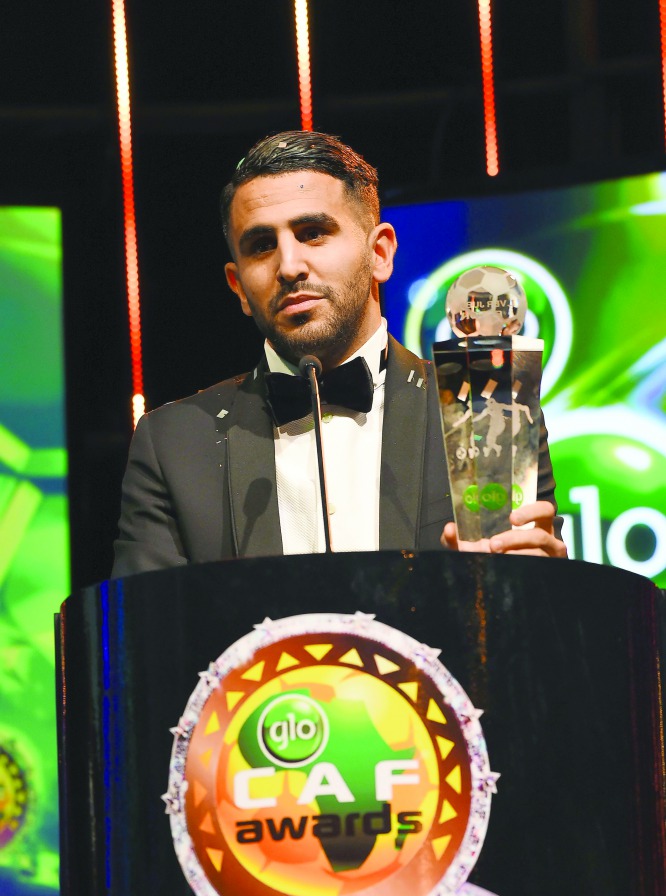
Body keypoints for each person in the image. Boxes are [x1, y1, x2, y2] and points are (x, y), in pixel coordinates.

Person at [112, 131, 566, 577]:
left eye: (312, 233)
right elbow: (147, 638)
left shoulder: (485, 408)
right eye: (262, 245)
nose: (289, 266)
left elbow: (530, 620)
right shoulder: (174, 444)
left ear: (380, 254)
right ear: (238, 287)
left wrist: (543, 584)